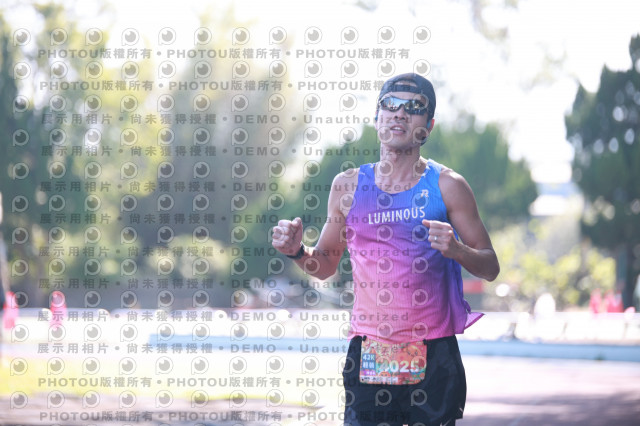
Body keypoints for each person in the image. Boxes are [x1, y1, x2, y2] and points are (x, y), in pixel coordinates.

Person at [272, 73, 499, 426]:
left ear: (429, 125)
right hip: (371, 349)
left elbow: (490, 266)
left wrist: (457, 250)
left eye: (414, 107)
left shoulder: (448, 186)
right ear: (377, 116)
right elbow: (325, 265)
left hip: (433, 353)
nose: (399, 113)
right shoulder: (347, 186)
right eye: (390, 105)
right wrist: (297, 251)